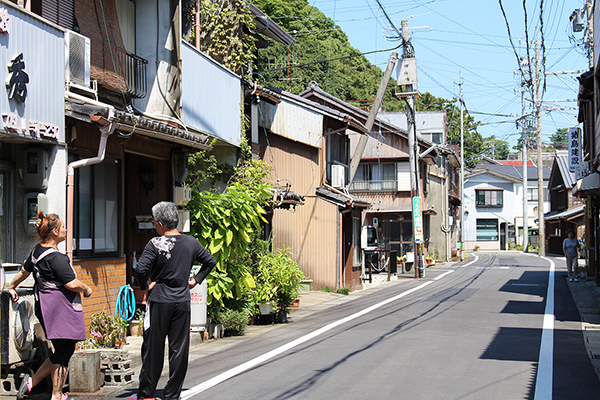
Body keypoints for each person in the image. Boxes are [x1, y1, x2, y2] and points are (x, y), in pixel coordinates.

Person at [132, 201, 216, 400]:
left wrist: (145, 286)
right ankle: (172, 395)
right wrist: (195, 280)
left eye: (154, 222)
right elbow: (209, 261)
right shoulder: (191, 242)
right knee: (179, 350)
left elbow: (141, 269)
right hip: (182, 300)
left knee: (153, 347)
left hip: (159, 301)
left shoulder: (155, 243)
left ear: (160, 223)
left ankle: (147, 394)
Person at [9, 212, 92, 400]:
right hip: (61, 309)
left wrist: (11, 286)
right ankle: (56, 395)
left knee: (60, 350)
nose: (65, 230)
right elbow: (71, 284)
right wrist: (86, 288)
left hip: (44, 308)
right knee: (65, 351)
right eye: (63, 227)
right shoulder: (57, 258)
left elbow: (24, 271)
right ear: (55, 232)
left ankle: (32, 383)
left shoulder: (36, 251)